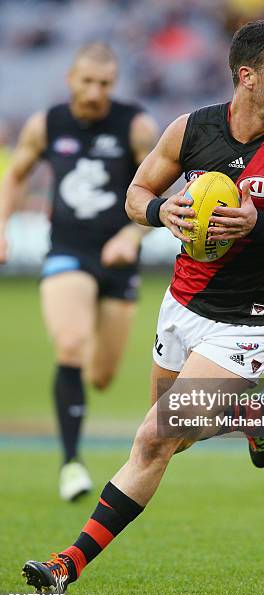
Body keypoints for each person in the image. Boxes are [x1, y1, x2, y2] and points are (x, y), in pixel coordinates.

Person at [21, 19, 264, 593]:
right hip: (183, 303)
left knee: (154, 440)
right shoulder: (192, 130)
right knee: (173, 435)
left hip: (251, 321)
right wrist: (158, 213)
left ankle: (65, 566)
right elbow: (137, 193)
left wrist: (260, 225)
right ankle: (252, 413)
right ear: (247, 76)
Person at [0, 42, 158, 501]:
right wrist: (3, 226)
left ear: (115, 84)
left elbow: (160, 185)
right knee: (70, 344)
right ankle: (71, 463)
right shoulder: (47, 124)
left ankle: (76, 381)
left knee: (103, 375)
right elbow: (16, 174)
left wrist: (132, 237)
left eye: (104, 84)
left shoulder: (135, 125)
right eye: (87, 81)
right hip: (67, 252)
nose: (94, 92)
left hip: (118, 260)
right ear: (70, 78)